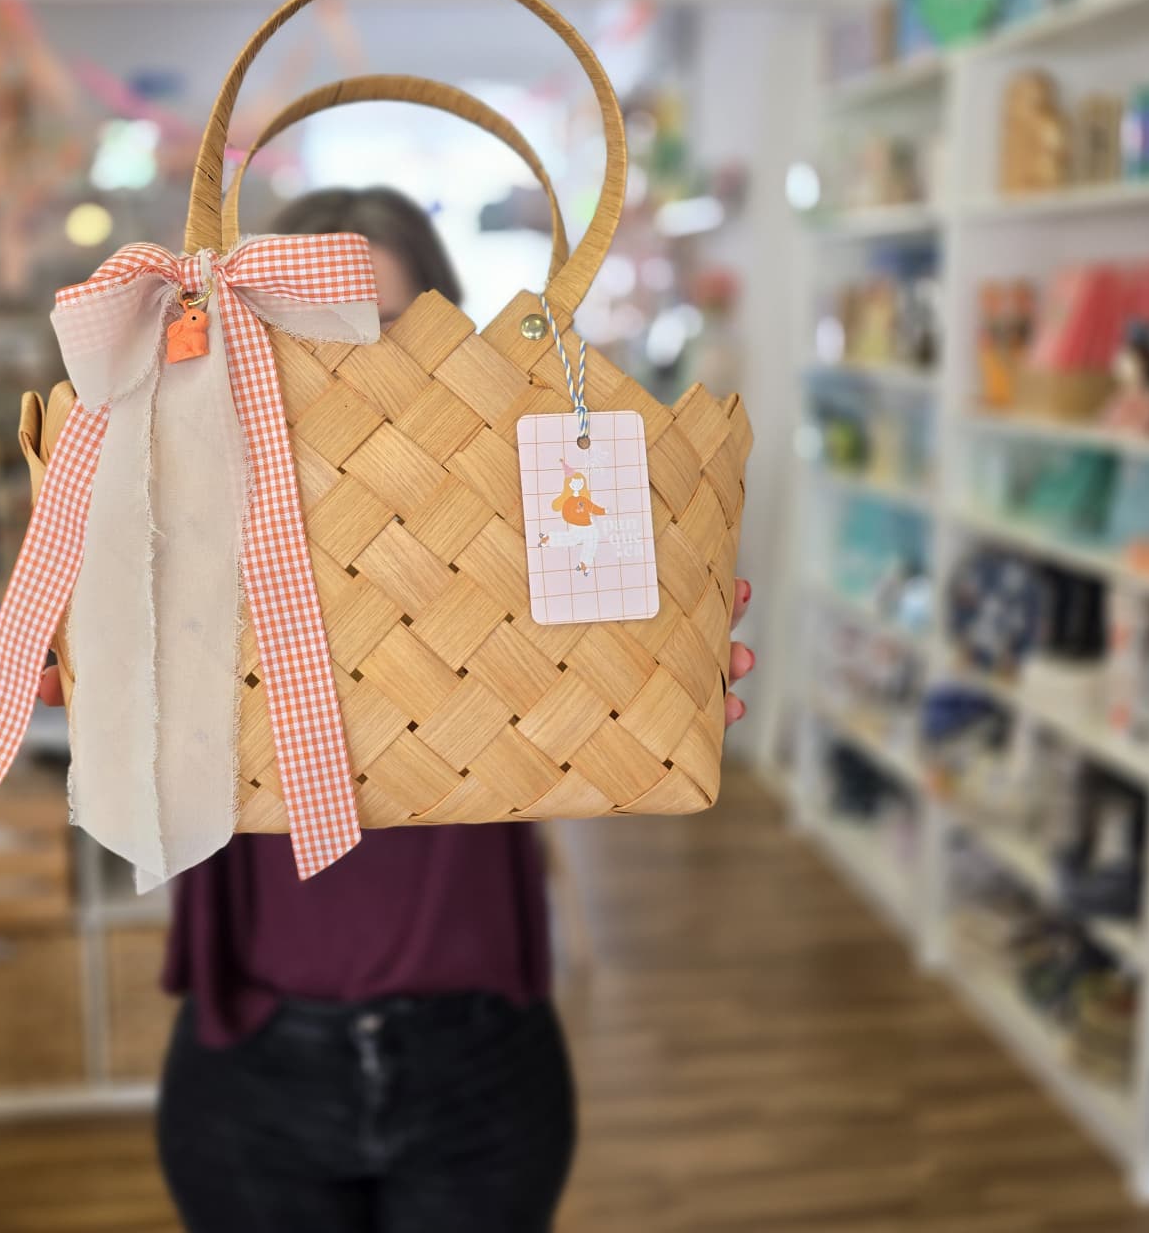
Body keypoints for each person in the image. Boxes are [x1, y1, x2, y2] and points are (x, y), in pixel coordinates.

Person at [39, 187, 754, 1233]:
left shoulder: (514, 519)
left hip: (483, 1065)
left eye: (383, 338)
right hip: (249, 1067)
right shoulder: (182, 520)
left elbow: (615, 677)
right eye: (308, 342)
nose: (349, 381)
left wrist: (661, 665)